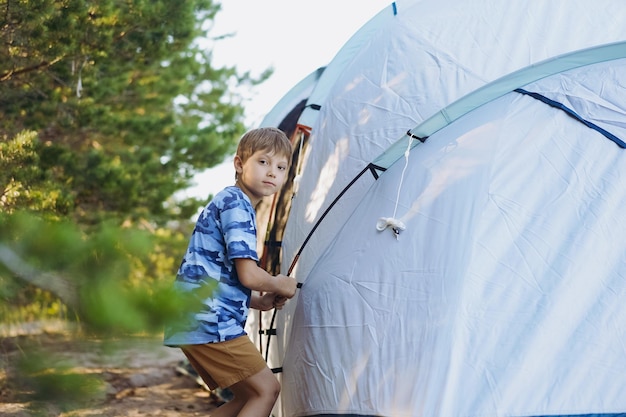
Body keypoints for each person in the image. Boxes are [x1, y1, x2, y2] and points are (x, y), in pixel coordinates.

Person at [164, 127, 298, 417]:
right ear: (239, 164)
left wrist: (259, 302)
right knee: (267, 390)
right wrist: (279, 283)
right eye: (263, 162)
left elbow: (220, 276)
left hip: (199, 315)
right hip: (210, 321)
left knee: (245, 398)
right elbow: (249, 275)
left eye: (281, 167)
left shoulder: (231, 202)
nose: (272, 172)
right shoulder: (237, 205)